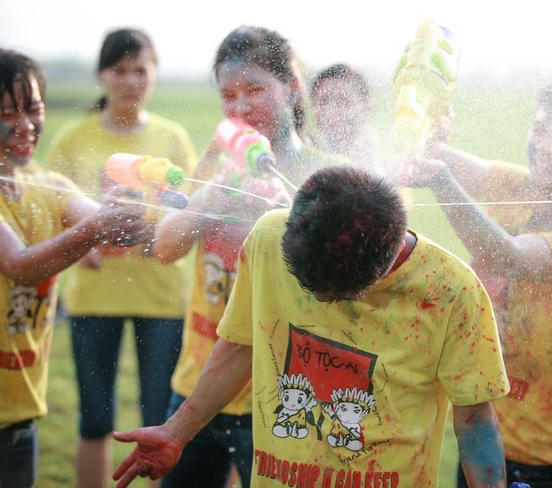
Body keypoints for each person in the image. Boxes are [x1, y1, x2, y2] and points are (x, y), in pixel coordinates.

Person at [112, 165, 510, 488]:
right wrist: (177, 432)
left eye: (331, 292)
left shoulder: (450, 290)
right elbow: (241, 345)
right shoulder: (268, 239)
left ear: (383, 265)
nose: (318, 301)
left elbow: (474, 416)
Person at [406, 72, 552, 487]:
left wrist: (441, 182)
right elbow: (433, 154)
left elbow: (507, 256)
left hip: (548, 457)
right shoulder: (520, 185)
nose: (543, 144)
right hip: (482, 433)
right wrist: (429, 125)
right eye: (540, 128)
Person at [150, 25, 333, 488]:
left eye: (255, 90)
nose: (241, 108)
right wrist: (211, 194)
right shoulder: (217, 161)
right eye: (228, 96)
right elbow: (166, 248)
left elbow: (333, 288)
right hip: (197, 387)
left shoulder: (321, 174)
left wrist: (283, 216)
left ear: (292, 87)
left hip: (281, 398)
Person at [45, 28, 197, 488]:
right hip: (94, 298)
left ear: (154, 74)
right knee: (94, 419)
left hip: (162, 298)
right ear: (102, 74)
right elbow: (51, 208)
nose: (131, 81)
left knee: (160, 421)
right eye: (120, 70)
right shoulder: (73, 138)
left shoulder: (172, 138)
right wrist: (80, 247)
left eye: (140, 70)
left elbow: (191, 214)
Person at [0, 48, 148, 488]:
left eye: (34, 109)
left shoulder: (46, 186)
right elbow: (19, 265)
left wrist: (128, 210)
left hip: (21, 409)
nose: (26, 125)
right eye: (7, 113)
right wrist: (97, 229)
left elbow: (101, 220)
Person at [310, 63, 378, 163]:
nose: (331, 112)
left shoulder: (389, 163)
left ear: (366, 109)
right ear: (313, 107)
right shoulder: (305, 157)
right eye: (323, 102)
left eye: (344, 102)